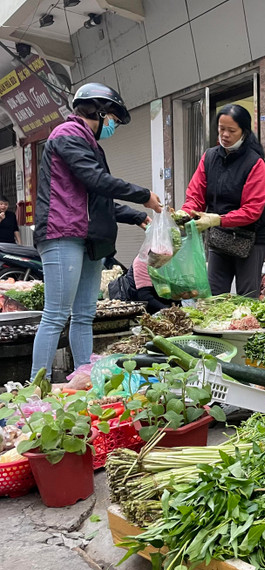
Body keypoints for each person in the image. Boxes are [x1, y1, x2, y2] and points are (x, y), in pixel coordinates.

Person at [31, 82, 162, 379]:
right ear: (101, 112)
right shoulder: (68, 136)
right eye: (113, 119)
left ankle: (83, 377)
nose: (113, 125)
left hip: (88, 238)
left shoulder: (88, 143)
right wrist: (143, 195)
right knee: (55, 315)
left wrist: (135, 217)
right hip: (62, 234)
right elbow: (96, 180)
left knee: (84, 314)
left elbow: (94, 200)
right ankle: (36, 387)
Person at [181, 104, 265, 297]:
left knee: (247, 297)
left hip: (251, 237)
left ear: (244, 132)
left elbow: (252, 210)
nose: (225, 135)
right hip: (220, 237)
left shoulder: (255, 163)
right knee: (213, 296)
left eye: (231, 130)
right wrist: (184, 214)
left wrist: (217, 219)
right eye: (221, 129)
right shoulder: (210, 157)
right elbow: (195, 195)